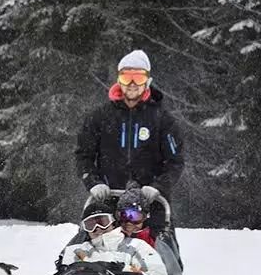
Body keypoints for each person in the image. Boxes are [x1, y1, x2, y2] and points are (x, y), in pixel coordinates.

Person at [75, 49, 185, 233]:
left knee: (160, 251)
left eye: (138, 78)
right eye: (127, 78)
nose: (132, 84)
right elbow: (83, 156)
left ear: (147, 81)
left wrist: (158, 187)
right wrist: (94, 183)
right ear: (119, 80)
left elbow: (175, 162)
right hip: (109, 200)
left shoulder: (163, 119)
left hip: (150, 204)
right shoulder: (100, 117)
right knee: (95, 249)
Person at [116, 187, 182, 275]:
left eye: (134, 217)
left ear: (145, 217)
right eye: (124, 216)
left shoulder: (155, 239)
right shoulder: (112, 235)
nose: (129, 222)